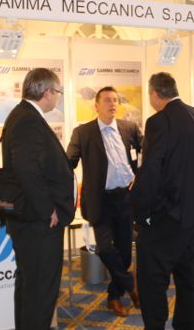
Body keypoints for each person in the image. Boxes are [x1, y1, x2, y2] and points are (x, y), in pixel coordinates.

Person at [131, 72, 194, 329]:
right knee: (188, 274)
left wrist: (140, 211)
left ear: (154, 94)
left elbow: (152, 169)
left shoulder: (158, 121)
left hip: (171, 215)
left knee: (152, 278)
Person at [1, 68, 75, 330]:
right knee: (40, 292)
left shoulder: (24, 115)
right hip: (38, 224)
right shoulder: (27, 120)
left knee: (31, 287)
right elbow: (27, 169)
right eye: (58, 92)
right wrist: (48, 210)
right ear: (48, 92)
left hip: (32, 222)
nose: (58, 97)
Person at [66, 86, 143, 317]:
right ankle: (130, 284)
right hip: (100, 201)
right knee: (106, 248)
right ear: (96, 106)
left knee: (125, 252)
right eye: (107, 100)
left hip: (126, 198)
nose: (113, 104)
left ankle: (114, 297)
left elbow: (147, 152)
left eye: (116, 100)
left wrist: (140, 177)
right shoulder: (83, 132)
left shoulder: (129, 128)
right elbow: (68, 161)